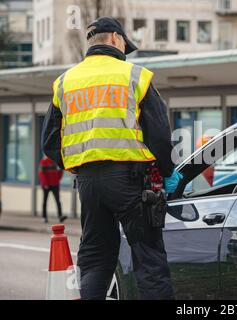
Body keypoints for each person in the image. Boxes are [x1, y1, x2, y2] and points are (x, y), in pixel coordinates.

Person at [41, 17, 183, 300]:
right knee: (149, 258)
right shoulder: (135, 76)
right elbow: (158, 133)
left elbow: (49, 141)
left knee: (95, 258)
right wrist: (168, 172)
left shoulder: (65, 82)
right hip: (129, 182)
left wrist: (75, 164)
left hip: (89, 185)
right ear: (116, 39)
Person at [38, 155, 66, 223]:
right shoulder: (44, 161)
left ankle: (60, 216)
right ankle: (44, 217)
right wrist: (45, 183)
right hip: (46, 185)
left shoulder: (55, 161)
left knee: (58, 201)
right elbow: (41, 173)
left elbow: (60, 171)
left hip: (55, 184)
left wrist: (57, 180)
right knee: (45, 201)